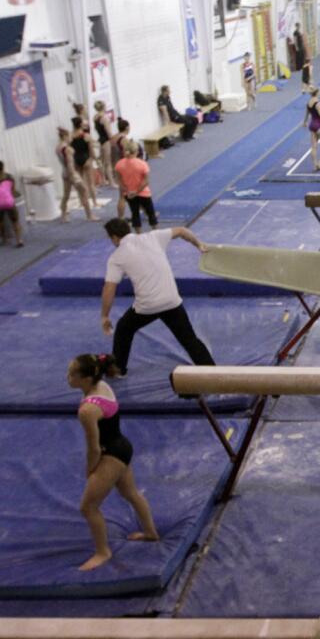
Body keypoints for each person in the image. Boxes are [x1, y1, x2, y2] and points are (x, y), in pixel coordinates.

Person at [68, 352, 158, 571]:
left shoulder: (87, 410)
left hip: (111, 455)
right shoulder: (103, 387)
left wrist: (90, 469)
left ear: (87, 379)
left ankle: (102, 552)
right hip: (123, 446)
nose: (67, 377)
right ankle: (150, 533)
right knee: (131, 494)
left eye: (72, 374)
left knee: (88, 507)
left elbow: (94, 447)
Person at [100, 218, 216, 374]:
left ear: (114, 237)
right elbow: (182, 230)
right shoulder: (153, 237)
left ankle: (119, 368)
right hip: (172, 301)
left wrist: (105, 316)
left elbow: (109, 288)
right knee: (189, 340)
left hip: (147, 307)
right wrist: (198, 244)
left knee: (123, 328)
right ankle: (213, 372)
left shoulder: (116, 257)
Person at [114, 141, 157, 233]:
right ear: (137, 152)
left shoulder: (119, 164)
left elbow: (119, 180)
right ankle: (156, 231)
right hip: (143, 193)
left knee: (135, 213)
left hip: (129, 194)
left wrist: (127, 190)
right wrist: (137, 191)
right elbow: (146, 181)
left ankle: (139, 235)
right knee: (151, 213)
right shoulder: (142, 164)